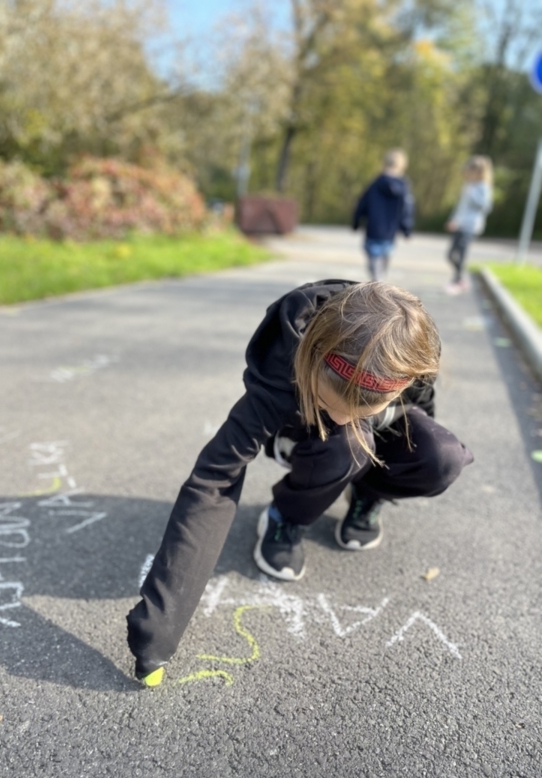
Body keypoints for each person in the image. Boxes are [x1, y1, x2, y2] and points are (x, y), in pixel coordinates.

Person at [127, 280, 473, 682]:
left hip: (366, 436)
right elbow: (214, 480)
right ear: (310, 357)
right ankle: (285, 516)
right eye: (329, 404)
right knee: (349, 443)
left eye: (360, 410)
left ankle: (367, 493)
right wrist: (161, 625)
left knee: (440, 456)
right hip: (300, 437)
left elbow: (421, 426)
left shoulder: (411, 357)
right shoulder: (284, 363)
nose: (340, 417)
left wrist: (392, 453)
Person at [352, 149, 414, 281]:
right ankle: (379, 283)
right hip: (390, 233)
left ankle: (377, 282)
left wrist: (356, 222)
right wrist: (406, 228)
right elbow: (407, 209)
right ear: (402, 166)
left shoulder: (375, 184)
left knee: (374, 262)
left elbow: (362, 204)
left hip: (373, 230)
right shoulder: (404, 186)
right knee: (384, 261)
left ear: (384, 163)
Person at [445, 156, 493, 295]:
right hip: (459, 224)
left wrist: (473, 195)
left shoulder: (483, 187)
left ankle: (457, 281)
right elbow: (461, 207)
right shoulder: (468, 185)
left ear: (479, 172)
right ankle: (460, 279)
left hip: (471, 226)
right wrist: (453, 219)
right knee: (450, 255)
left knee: (461, 254)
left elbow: (485, 206)